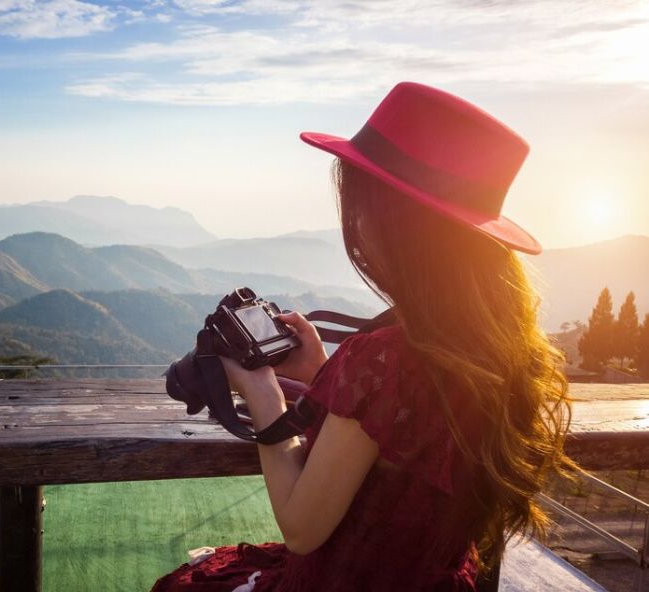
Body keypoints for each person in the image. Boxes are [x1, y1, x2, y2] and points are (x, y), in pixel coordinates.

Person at [151, 82, 574, 591]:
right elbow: (399, 453)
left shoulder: (388, 355)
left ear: (393, 219)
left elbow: (303, 529)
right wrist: (321, 376)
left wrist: (261, 391)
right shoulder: (494, 351)